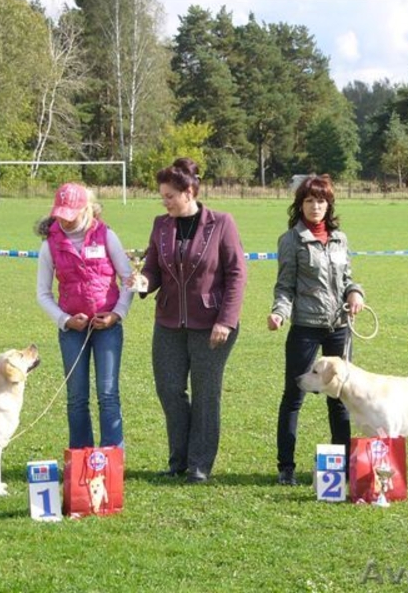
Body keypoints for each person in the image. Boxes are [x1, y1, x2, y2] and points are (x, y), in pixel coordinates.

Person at [136, 158, 247, 484]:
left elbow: (237, 274)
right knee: (169, 390)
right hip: (168, 323)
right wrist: (142, 282)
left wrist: (225, 320)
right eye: (163, 196)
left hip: (212, 325)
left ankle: (200, 465)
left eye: (170, 196)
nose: (165, 201)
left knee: (205, 395)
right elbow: (153, 269)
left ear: (189, 192)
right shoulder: (161, 225)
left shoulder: (222, 223)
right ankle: (178, 460)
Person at [267, 174, 365, 486]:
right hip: (306, 329)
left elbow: (348, 277)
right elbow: (285, 287)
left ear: (329, 204)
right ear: (300, 205)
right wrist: (279, 313)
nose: (315, 206)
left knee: (340, 399)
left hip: (339, 327)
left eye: (321, 200)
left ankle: (345, 466)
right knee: (294, 397)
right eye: (309, 201)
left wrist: (356, 293)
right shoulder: (290, 241)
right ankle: (286, 467)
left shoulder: (341, 238)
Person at [36, 182, 133, 450]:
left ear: (86, 209)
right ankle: (80, 459)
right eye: (60, 215)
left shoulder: (107, 236)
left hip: (108, 330)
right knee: (76, 397)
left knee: (108, 394)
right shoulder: (49, 245)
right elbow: (42, 294)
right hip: (72, 332)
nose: (64, 221)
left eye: (70, 215)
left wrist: (116, 315)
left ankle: (112, 458)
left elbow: (128, 279)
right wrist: (65, 320)